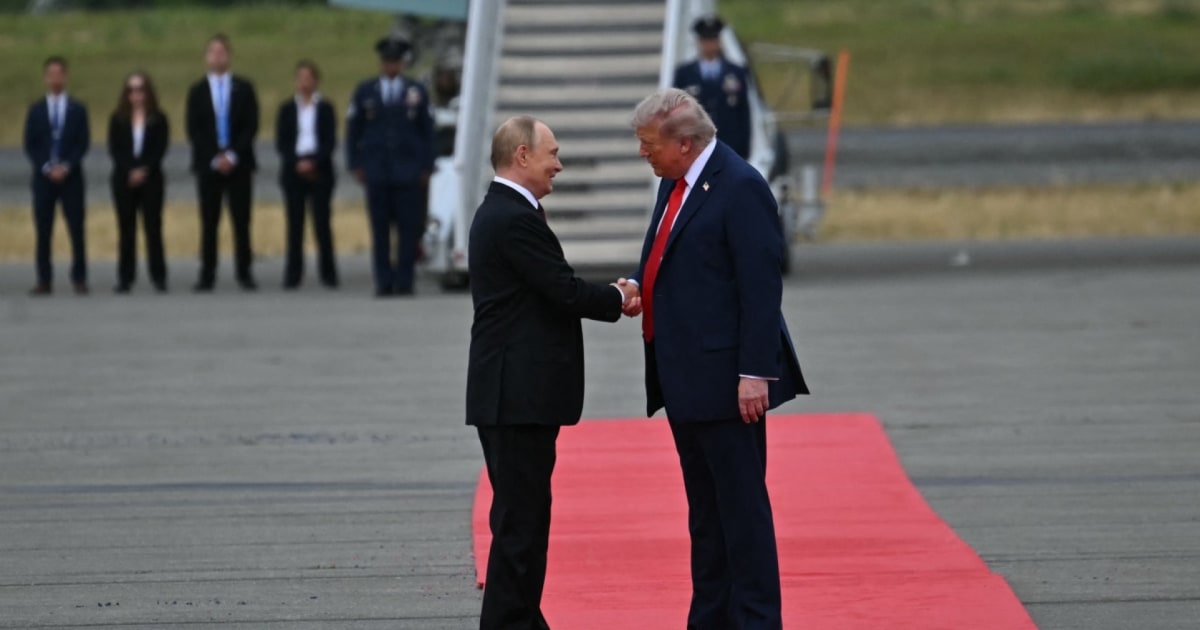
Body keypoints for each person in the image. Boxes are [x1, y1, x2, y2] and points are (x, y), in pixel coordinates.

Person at [622, 88, 808, 630]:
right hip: (684, 377)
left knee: (742, 514)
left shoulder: (741, 186)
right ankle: (710, 618)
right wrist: (638, 282)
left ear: (684, 143)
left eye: (648, 143)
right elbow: (669, 251)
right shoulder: (674, 179)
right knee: (705, 515)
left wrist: (755, 373)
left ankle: (756, 620)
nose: (642, 153)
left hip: (728, 383)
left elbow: (760, 288)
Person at [466, 116, 635, 630]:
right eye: (552, 154)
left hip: (514, 395)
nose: (558, 165)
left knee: (522, 519)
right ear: (522, 155)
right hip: (516, 397)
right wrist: (618, 297)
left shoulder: (507, 211)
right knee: (521, 523)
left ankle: (519, 620)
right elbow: (561, 288)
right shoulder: (512, 217)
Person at [346, 36, 435, 297]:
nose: (391, 65)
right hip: (377, 170)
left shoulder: (415, 91)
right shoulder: (366, 91)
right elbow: (353, 130)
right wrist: (355, 163)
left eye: (395, 61)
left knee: (408, 230)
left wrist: (426, 166)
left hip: (408, 172)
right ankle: (384, 280)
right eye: (387, 61)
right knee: (380, 229)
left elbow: (427, 131)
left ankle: (405, 280)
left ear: (401, 63)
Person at [185, 33, 260, 292]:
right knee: (209, 221)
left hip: (239, 163)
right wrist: (215, 157)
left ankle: (244, 271)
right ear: (206, 57)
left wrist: (233, 155)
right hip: (209, 164)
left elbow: (251, 124)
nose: (217, 56)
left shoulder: (243, 87)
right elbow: (194, 129)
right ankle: (207, 273)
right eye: (213, 52)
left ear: (229, 56)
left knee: (241, 221)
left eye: (222, 52)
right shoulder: (197, 91)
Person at [24, 56, 90, 296]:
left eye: (59, 74)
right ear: (45, 78)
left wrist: (66, 166)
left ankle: (79, 277)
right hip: (44, 179)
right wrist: (46, 167)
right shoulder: (36, 110)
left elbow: (82, 143)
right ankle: (44, 278)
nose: (55, 79)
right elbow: (30, 144)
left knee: (76, 228)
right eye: (51, 74)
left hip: (71, 178)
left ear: (66, 76)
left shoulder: (77, 109)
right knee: (43, 229)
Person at [275, 60, 338, 290]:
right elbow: (282, 142)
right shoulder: (286, 109)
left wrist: (314, 162)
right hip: (294, 168)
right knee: (295, 224)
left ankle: (328, 273)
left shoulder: (326, 108)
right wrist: (297, 162)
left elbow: (330, 141)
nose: (304, 82)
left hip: (319, 169)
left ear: (316, 80)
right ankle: (293, 274)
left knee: (322, 223)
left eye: (308, 77)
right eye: (300, 77)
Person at [108, 71, 170, 294]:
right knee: (126, 229)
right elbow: (115, 149)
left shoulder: (158, 119)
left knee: (153, 228)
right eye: (132, 90)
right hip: (124, 180)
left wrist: (144, 169)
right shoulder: (118, 119)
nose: (136, 95)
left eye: (140, 90)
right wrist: (130, 170)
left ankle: (158, 276)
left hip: (151, 179)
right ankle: (125, 277)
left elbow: (160, 148)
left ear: (147, 92)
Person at [673, 15, 752, 159]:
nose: (709, 44)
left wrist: (744, 151)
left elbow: (743, 113)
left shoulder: (735, 72)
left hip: (728, 146)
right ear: (698, 42)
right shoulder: (684, 74)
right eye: (705, 40)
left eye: (713, 39)